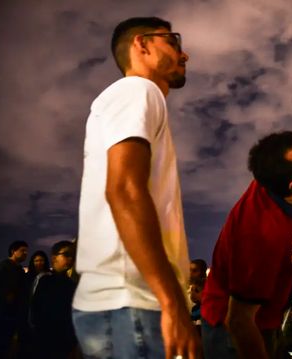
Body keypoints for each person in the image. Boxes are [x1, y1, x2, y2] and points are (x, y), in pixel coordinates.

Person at [72, 16, 200, 359]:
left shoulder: (131, 97)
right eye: (173, 42)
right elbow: (124, 191)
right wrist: (172, 302)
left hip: (122, 303)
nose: (184, 54)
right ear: (141, 45)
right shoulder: (137, 90)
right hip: (135, 303)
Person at [201, 130, 292, 358]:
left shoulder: (277, 180)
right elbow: (238, 321)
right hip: (233, 334)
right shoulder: (261, 237)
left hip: (266, 318)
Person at [30, 241, 79, 359]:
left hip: (64, 342)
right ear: (54, 257)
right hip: (44, 341)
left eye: (72, 255)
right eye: (66, 254)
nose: (70, 258)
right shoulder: (43, 279)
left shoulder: (72, 284)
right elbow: (33, 311)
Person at [0, 240, 29, 358]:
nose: (26, 253)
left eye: (26, 251)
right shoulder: (2, 265)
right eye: (22, 251)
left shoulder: (19, 269)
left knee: (6, 345)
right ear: (13, 251)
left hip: (12, 314)